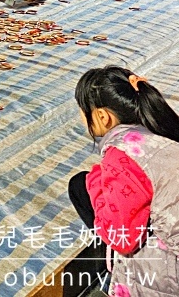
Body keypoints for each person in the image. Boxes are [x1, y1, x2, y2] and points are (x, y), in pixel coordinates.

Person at [70, 66, 179, 296]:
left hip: (169, 274)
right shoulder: (162, 130)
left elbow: (124, 240)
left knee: (82, 185)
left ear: (102, 116)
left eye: (83, 114)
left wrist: (97, 179)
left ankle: (111, 268)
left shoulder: (123, 155)